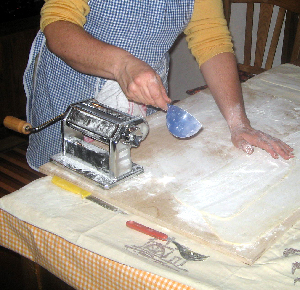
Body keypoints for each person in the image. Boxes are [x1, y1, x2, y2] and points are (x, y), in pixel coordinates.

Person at [24, 0, 294, 171]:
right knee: (66, 184)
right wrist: (121, 65)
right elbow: (58, 26)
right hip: (75, 86)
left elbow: (210, 37)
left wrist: (238, 123)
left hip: (144, 92)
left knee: (130, 174)